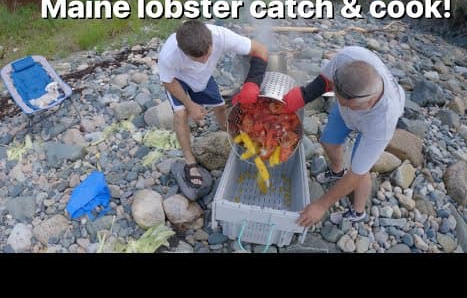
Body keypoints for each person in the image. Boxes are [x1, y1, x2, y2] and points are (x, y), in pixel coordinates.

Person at [282, 46, 405, 226]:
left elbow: (356, 173)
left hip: (370, 123)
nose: (344, 105)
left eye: (350, 105)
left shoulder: (383, 120)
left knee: (360, 170)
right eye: (339, 100)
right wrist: (304, 95)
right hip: (350, 106)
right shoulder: (348, 58)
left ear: (369, 101)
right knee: (328, 141)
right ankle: (337, 171)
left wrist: (321, 205)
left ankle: (358, 211)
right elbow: (326, 80)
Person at [157, 20, 268, 189]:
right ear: (182, 51)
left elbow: (260, 49)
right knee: (180, 114)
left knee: (220, 106)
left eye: (207, 55)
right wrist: (190, 104)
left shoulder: (220, 36)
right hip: (178, 80)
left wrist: (252, 84)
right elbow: (167, 82)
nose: (203, 61)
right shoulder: (169, 54)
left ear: (211, 42)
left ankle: (227, 130)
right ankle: (190, 162)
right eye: (197, 59)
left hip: (204, 78)